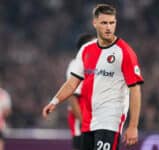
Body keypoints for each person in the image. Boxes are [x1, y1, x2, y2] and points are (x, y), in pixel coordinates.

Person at [42, 3, 144, 150]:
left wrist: (133, 125)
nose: (108, 27)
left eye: (112, 22)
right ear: (94, 23)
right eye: (104, 23)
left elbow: (135, 90)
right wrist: (55, 101)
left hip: (110, 120)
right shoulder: (86, 50)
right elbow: (72, 83)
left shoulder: (124, 52)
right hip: (88, 121)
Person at [66, 33, 96, 150]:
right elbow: (73, 99)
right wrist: (85, 124)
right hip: (83, 127)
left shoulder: (94, 68)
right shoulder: (76, 66)